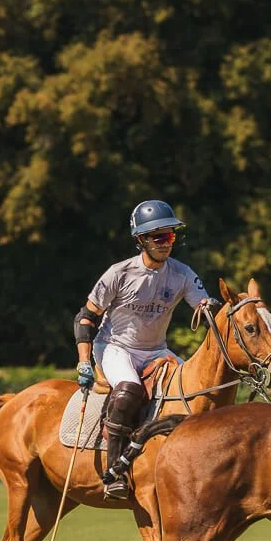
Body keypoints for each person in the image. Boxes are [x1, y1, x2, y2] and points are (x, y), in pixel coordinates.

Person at [73, 200, 215, 500]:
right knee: (129, 389)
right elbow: (85, 318)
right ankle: (114, 472)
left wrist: (211, 308)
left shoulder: (183, 274)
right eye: (159, 237)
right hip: (115, 346)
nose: (166, 244)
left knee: (196, 388)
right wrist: (84, 362)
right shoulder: (119, 273)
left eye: (171, 237)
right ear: (141, 240)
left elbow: (203, 306)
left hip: (155, 350)